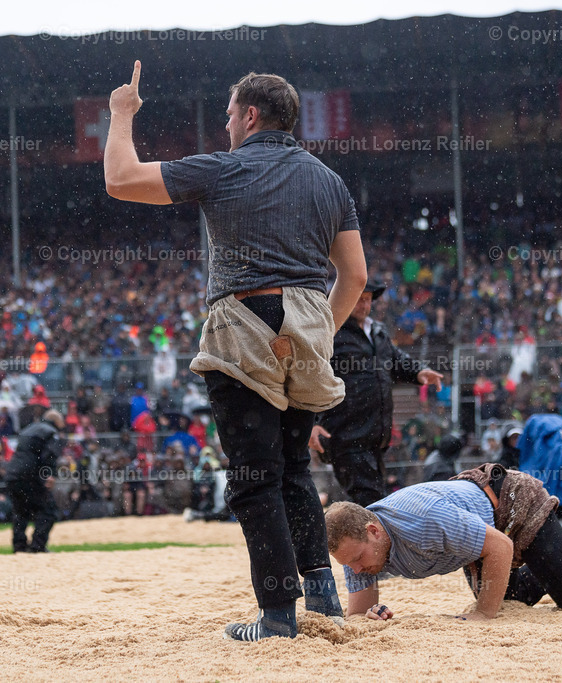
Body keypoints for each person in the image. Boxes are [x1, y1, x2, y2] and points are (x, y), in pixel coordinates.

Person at [105, 63, 367, 641]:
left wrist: (122, 112)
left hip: (244, 323)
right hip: (307, 320)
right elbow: (354, 276)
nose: (225, 125)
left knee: (253, 478)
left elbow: (121, 179)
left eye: (229, 115)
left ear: (250, 115)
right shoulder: (330, 182)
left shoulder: (224, 167)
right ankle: (321, 594)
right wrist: (319, 331)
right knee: (295, 466)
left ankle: (277, 618)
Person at [326, 465, 562, 622]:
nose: (357, 570)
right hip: (478, 532)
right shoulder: (353, 544)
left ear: (374, 530)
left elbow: (500, 548)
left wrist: (482, 616)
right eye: (350, 565)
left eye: (359, 560)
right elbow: (358, 614)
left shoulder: (423, 519)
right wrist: (369, 620)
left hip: (512, 506)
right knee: (512, 597)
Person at [308, 280, 444, 506]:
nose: (364, 304)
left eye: (368, 299)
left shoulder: (377, 332)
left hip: (376, 436)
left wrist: (419, 371)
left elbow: (396, 359)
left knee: (370, 502)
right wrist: (312, 422)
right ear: (342, 297)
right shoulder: (329, 332)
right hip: (345, 434)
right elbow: (309, 377)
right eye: (358, 298)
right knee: (371, 503)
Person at [4, 409, 64, 553]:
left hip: (13, 474)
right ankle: (38, 545)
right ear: (56, 422)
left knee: (21, 511)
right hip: (29, 476)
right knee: (49, 510)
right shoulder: (51, 432)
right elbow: (49, 455)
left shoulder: (28, 429)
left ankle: (19, 547)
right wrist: (50, 474)